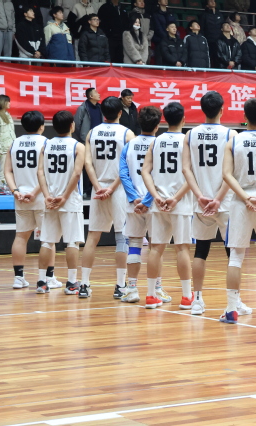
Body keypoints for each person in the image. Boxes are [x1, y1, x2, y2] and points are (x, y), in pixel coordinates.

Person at [182, 91, 240, 315]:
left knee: (201, 251)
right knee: (232, 254)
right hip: (225, 203)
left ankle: (197, 300)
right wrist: (218, 199)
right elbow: (232, 172)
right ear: (222, 109)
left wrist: (199, 196)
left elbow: (186, 169)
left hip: (201, 204)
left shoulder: (191, 135)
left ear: (202, 109)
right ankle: (234, 303)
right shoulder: (231, 134)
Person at [219, 98, 256, 323]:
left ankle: (232, 309)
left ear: (244, 116)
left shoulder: (234, 140)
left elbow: (226, 174)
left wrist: (245, 198)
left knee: (236, 258)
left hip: (241, 201)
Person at [139, 102, 194, 310]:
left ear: (164, 120)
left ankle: (151, 295)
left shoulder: (156, 141)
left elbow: (145, 171)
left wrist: (156, 196)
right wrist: (176, 198)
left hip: (158, 203)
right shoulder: (187, 141)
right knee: (182, 249)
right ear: (184, 119)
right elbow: (192, 175)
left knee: (156, 249)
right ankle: (187, 297)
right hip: (180, 203)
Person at [81, 96, 135, 299]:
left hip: (99, 189)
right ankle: (120, 286)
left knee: (92, 237)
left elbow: (88, 163)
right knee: (122, 237)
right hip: (118, 189)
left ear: (102, 112)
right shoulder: (127, 133)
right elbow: (128, 166)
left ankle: (84, 284)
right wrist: (112, 188)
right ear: (120, 112)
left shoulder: (92, 132)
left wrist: (98, 187)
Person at [5, 111, 61, 290]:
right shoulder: (46, 143)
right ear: (42, 126)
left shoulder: (14, 143)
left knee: (21, 236)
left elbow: (7, 171)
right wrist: (36, 192)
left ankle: (18, 278)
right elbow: (47, 172)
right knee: (48, 238)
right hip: (41, 197)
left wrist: (15, 191)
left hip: (21, 197)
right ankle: (49, 277)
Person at [35, 110, 85, 295]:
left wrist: (47, 195)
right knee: (72, 242)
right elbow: (77, 174)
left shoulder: (46, 145)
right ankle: (71, 283)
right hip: (69, 200)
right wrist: (64, 197)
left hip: (50, 200)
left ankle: (42, 282)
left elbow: (40, 172)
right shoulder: (78, 146)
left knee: (47, 242)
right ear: (72, 125)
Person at [118, 106, 156, 305]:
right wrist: (147, 200)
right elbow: (158, 175)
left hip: (134, 204)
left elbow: (123, 174)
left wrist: (134, 199)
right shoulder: (160, 144)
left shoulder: (129, 145)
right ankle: (156, 289)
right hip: (155, 203)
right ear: (157, 125)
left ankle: (132, 289)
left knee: (134, 245)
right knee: (156, 247)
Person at [0, 95, 16, 190]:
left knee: (10, 170)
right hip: (3, 148)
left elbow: (11, 132)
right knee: (3, 171)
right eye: (8, 101)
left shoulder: (7, 114)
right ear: (3, 102)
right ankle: (2, 189)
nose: (9, 103)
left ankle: (9, 189)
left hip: (11, 146)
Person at [200, 0, 225, 67]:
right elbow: (202, 28)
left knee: (220, 58)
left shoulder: (220, 14)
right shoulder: (204, 15)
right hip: (209, 40)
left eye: (214, 1)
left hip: (219, 40)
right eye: (210, 1)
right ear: (207, 5)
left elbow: (223, 26)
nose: (213, 2)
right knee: (210, 58)